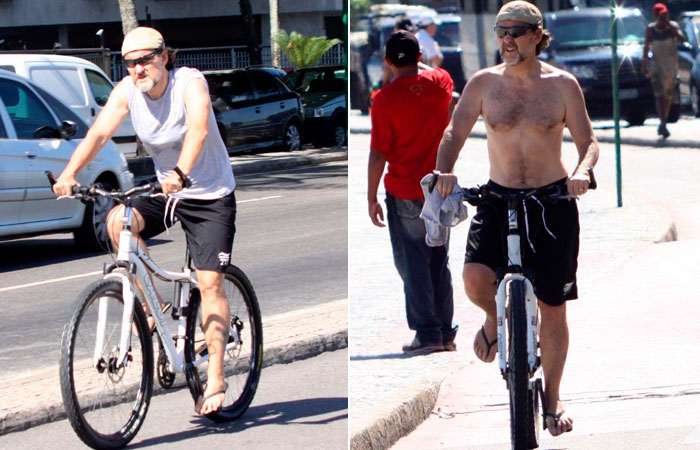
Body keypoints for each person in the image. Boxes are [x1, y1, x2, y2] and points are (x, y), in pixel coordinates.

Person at [433, 1, 599, 437]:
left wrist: (582, 172)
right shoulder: (483, 83)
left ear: (537, 35)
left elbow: (588, 140)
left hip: (552, 203)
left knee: (553, 306)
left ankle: (553, 397)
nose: (507, 39)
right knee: (473, 277)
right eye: (501, 31)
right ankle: (494, 319)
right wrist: (443, 169)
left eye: (517, 31)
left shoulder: (563, 85)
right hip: (498, 197)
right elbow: (455, 131)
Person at [52, 27, 236, 416]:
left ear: (164, 57)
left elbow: (200, 130)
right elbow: (99, 133)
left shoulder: (189, 83)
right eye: (129, 62)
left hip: (207, 194)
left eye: (145, 59)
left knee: (209, 281)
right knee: (118, 221)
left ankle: (217, 377)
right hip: (164, 193)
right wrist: (69, 174)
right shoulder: (126, 92)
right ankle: (150, 314)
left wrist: (182, 174)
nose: (137, 68)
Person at [368, 30, 456, 355]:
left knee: (412, 262)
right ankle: (446, 332)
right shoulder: (442, 82)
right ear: (419, 56)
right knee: (439, 260)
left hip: (404, 190)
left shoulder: (384, 100)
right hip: (439, 188)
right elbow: (448, 96)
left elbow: (378, 152)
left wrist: (370, 196)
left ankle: (428, 333)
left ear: (388, 62)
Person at [642, 3, 685, 138]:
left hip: (670, 67)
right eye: (661, 15)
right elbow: (646, 47)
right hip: (657, 67)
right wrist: (644, 64)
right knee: (659, 96)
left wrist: (671, 26)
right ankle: (663, 123)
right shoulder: (651, 30)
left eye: (665, 14)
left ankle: (663, 121)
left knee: (667, 97)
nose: (664, 17)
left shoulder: (673, 27)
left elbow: (681, 40)